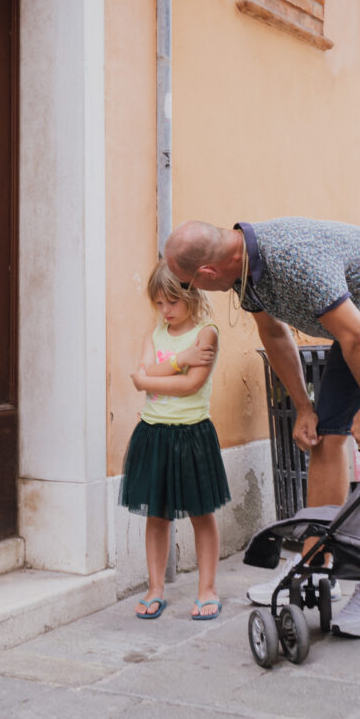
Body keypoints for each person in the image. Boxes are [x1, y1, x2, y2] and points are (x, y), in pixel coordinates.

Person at [164, 219, 360, 638]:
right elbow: (275, 335)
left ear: (207, 274)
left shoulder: (292, 261)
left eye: (191, 285)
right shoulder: (244, 270)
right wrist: (303, 408)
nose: (195, 292)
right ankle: (317, 568)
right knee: (326, 436)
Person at [121, 261, 230, 620]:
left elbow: (189, 385)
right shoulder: (153, 336)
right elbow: (143, 373)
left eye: (173, 302)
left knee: (201, 514)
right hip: (153, 434)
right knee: (157, 515)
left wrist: (148, 378)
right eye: (159, 304)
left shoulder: (206, 333)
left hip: (192, 434)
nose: (166, 311)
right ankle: (155, 588)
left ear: (191, 295)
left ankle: (207, 589)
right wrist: (181, 359)